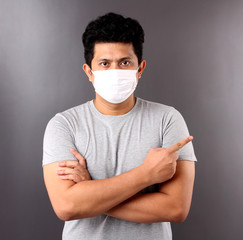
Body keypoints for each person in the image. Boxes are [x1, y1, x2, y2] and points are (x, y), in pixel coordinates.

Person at [42, 12, 197, 240]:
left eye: (125, 62)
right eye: (104, 63)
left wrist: (91, 192)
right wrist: (146, 174)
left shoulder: (168, 119)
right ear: (89, 72)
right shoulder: (64, 124)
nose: (115, 71)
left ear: (140, 68)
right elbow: (66, 206)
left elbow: (176, 209)